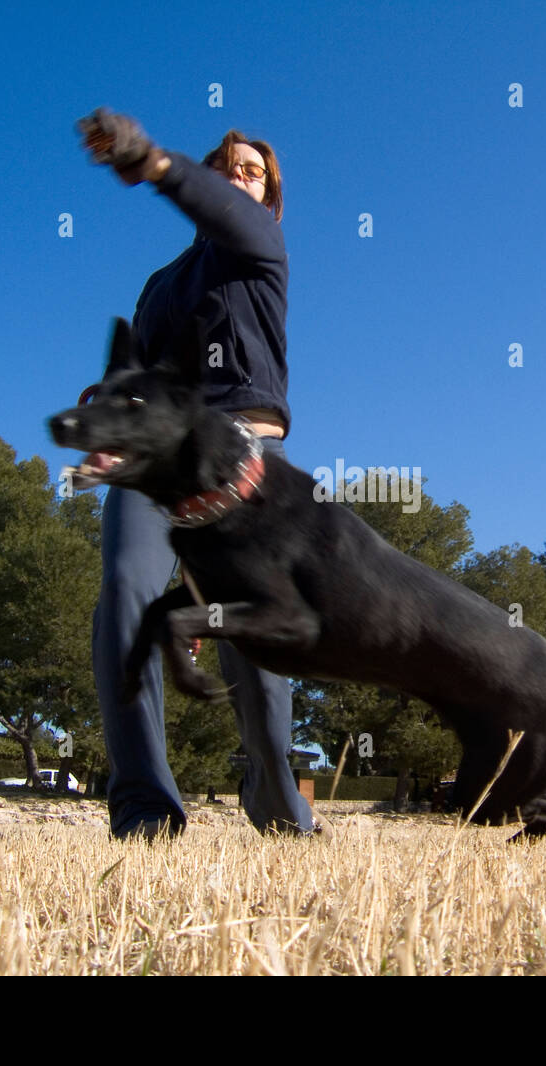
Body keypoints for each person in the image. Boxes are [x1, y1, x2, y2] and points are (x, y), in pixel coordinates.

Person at [76, 108, 316, 840]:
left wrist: (152, 161)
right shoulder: (162, 283)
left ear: (266, 197)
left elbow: (209, 206)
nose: (239, 180)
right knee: (124, 593)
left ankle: (278, 806)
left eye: (253, 173)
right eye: (229, 169)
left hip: (245, 463)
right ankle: (145, 806)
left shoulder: (259, 246)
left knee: (260, 654)